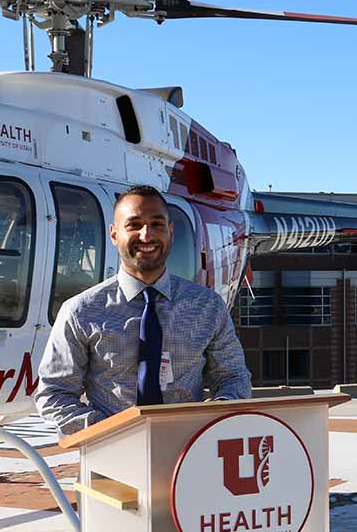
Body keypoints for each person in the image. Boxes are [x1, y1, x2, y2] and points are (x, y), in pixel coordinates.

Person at [35, 184, 251, 435]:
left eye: (157, 224)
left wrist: (211, 421)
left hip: (190, 454)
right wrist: (111, 431)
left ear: (170, 232)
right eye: (134, 225)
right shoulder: (80, 311)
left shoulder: (208, 306)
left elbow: (233, 377)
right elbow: (54, 395)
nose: (147, 235)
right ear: (114, 235)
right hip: (110, 456)